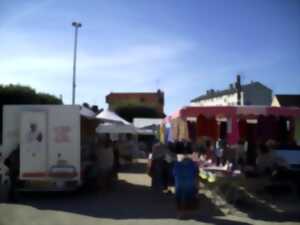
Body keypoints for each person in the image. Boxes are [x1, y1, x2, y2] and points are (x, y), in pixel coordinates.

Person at [173, 148, 199, 219]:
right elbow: (196, 176)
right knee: (188, 198)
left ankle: (180, 214)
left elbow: (174, 174)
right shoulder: (194, 165)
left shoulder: (177, 165)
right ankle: (186, 213)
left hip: (179, 185)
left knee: (179, 200)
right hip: (190, 185)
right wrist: (197, 186)